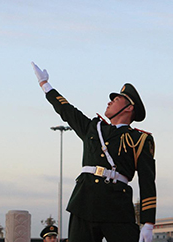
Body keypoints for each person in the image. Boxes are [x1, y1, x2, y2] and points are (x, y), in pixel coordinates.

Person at [32, 62, 156, 242]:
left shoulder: (140, 140)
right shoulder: (93, 128)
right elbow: (67, 111)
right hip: (85, 202)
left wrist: (148, 223)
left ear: (129, 108)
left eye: (116, 100)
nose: (109, 101)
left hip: (117, 206)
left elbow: (147, 181)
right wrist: (45, 85)